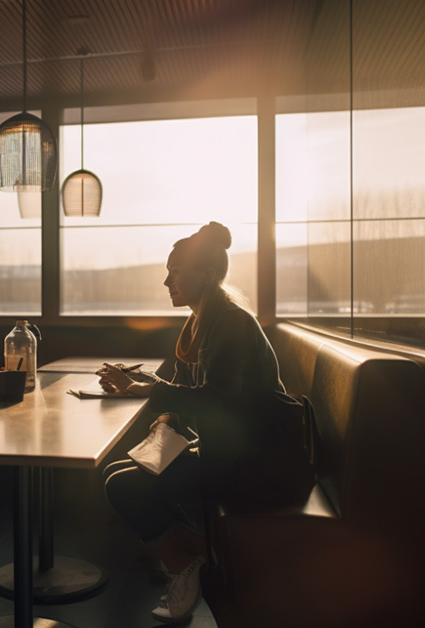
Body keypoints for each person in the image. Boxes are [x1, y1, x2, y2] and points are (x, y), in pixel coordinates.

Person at [99, 221, 314, 624]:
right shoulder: (203, 320)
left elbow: (218, 401)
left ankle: (189, 560)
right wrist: (152, 399)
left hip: (259, 465)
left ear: (208, 274)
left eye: (176, 271)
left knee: (122, 485)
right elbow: (185, 395)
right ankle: (197, 551)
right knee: (121, 474)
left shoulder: (230, 321)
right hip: (232, 454)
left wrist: (150, 393)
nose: (167, 281)